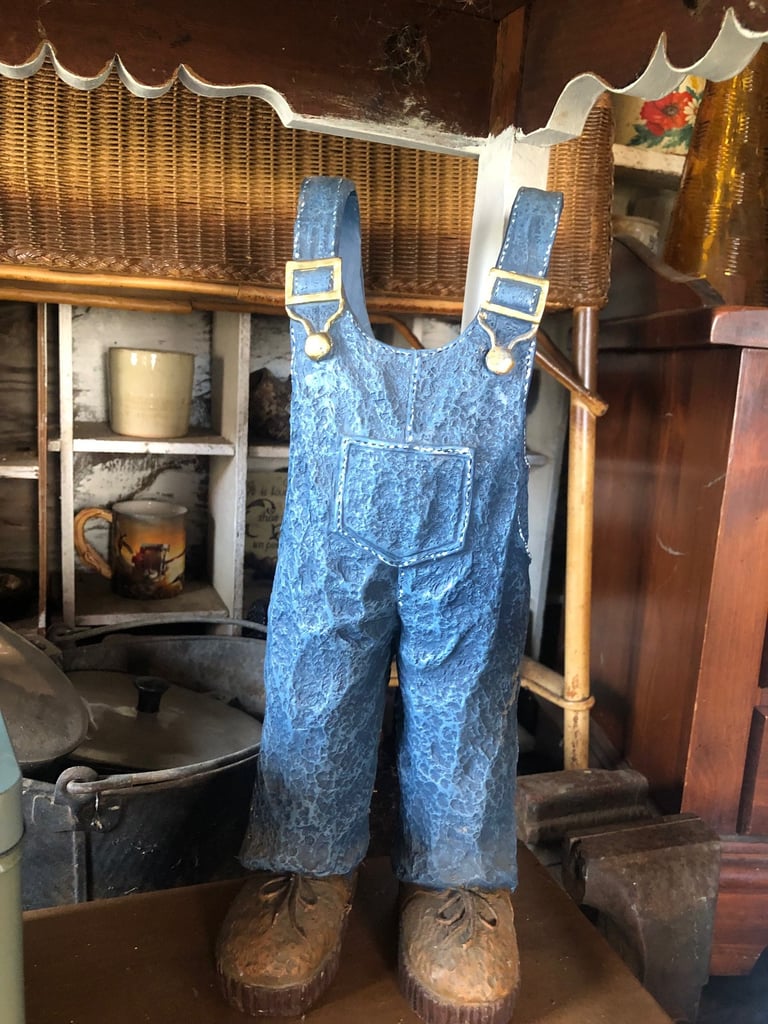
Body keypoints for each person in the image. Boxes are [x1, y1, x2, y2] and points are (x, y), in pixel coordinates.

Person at [216, 176, 562, 1024]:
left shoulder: (516, 317)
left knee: (468, 704)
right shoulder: (315, 305)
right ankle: (303, 866)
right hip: (329, 572)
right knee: (316, 691)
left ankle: (456, 880)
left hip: (468, 574)